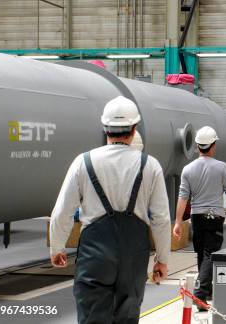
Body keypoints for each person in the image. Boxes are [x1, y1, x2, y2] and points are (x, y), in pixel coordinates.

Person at [49, 96, 171, 324]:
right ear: (134, 129)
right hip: (134, 257)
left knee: (91, 317)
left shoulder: (82, 162)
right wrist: (162, 260)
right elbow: (162, 219)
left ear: (104, 128)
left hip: (94, 256)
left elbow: (62, 211)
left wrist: (57, 247)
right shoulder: (151, 165)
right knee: (127, 318)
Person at [173, 126, 226, 309]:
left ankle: (207, 291)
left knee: (202, 254)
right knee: (211, 254)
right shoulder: (221, 167)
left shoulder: (188, 169)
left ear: (197, 146)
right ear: (213, 145)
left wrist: (178, 222)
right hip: (213, 215)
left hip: (196, 216)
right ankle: (200, 293)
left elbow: (183, 197)